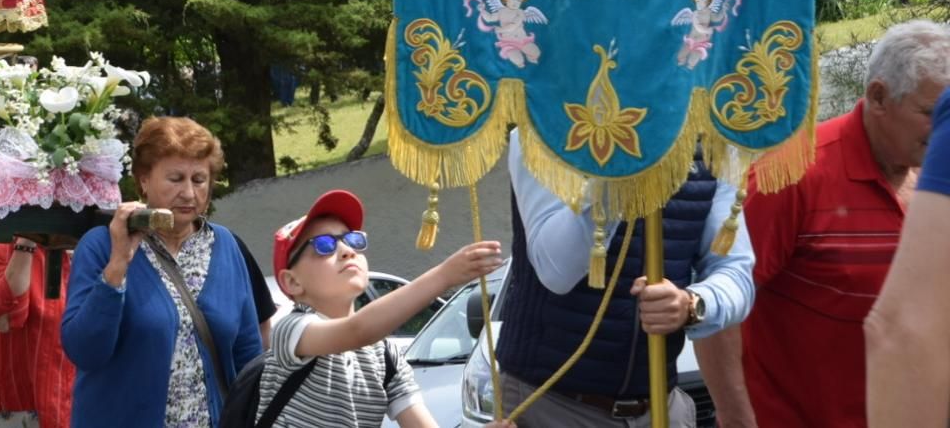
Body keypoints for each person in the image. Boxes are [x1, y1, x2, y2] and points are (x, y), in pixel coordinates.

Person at [697, 20, 950, 428]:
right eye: (931, 113)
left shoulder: (936, 176)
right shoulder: (791, 175)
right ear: (879, 97)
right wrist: (735, 416)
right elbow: (716, 301)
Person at [492, 129, 755, 427]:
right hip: (554, 405)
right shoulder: (541, 129)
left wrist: (692, 304)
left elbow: (736, 273)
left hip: (660, 404)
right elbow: (556, 271)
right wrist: (617, 175)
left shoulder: (711, 143)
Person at [62, 116, 263, 428]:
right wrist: (117, 266)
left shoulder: (226, 246)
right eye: (175, 178)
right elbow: (84, 351)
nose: (188, 193)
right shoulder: (101, 245)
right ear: (144, 180)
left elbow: (248, 353)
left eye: (199, 179)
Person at [261, 190, 506, 428]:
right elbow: (358, 331)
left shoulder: (385, 356)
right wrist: (444, 276)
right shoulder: (290, 331)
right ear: (292, 281)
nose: (347, 251)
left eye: (352, 239)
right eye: (323, 245)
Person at [866, 72, 950, 425]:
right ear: (879, 98)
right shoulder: (798, 173)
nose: (933, 128)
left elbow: (900, 332)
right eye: (927, 111)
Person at [0, 238, 73, 428]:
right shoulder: (4, 241)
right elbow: (4, 320)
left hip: (77, 405)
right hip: (23, 409)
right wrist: (26, 243)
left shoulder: (96, 243)